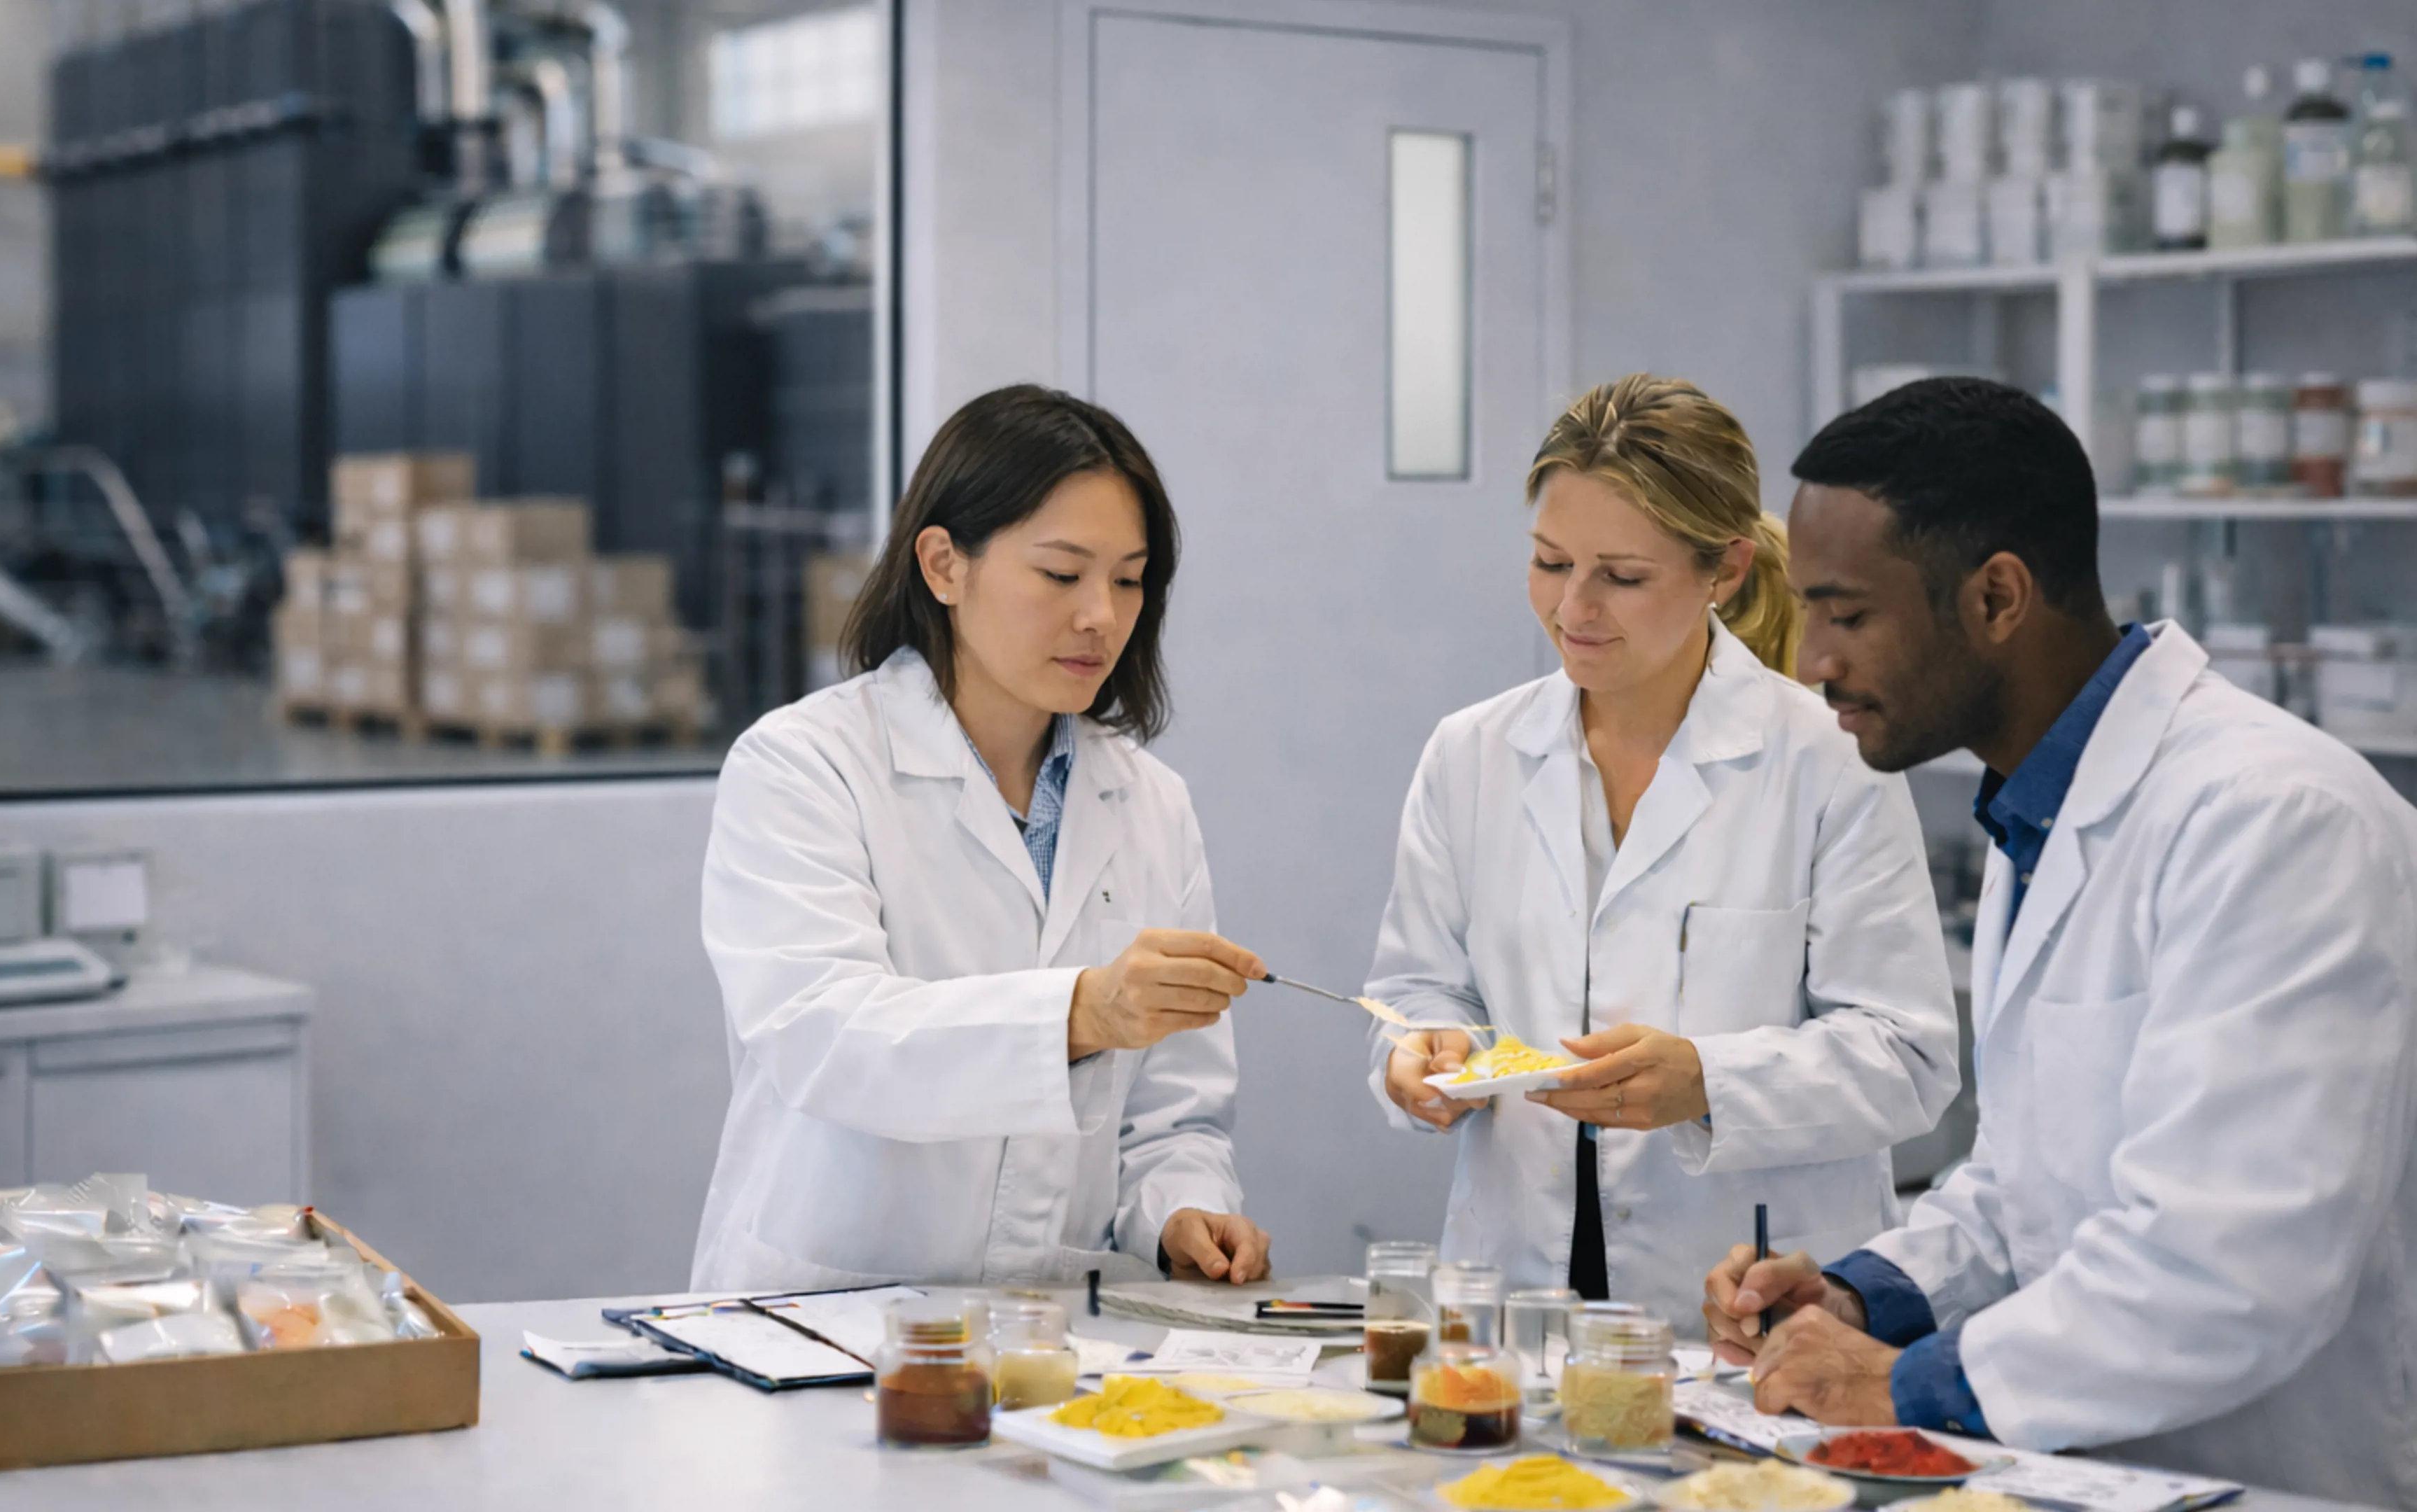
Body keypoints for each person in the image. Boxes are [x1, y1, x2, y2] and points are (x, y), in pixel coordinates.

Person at [1700, 376, 2417, 1507]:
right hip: (2104, 1476)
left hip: (2276, 1481)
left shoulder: (2276, 821)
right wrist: (1863, 1297)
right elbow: (2035, 1184)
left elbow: (2228, 1270)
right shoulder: (2042, 810)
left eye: (1845, 615)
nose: (1811, 662)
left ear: (1996, 598)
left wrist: (1908, 1385)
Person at [1366, 374, 1959, 1323]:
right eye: (1551, 563)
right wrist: (1419, 1054)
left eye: (1625, 577)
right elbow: (1417, 990)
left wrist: (1709, 1084)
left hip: (1743, 1297)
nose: (1575, 607)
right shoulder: (1470, 755)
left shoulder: (1828, 759)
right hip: (1517, 1286)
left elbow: (1908, 1058)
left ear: (1724, 571)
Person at [690, 384, 1274, 1293]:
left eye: (1128, 579)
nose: (1101, 616)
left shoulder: (1151, 804)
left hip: (1049, 1328)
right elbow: (826, 1036)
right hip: (830, 1315)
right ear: (943, 565)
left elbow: (1173, 1113)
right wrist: (1081, 1012)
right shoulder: (804, 766)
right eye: (1061, 573)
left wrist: (1178, 1212)